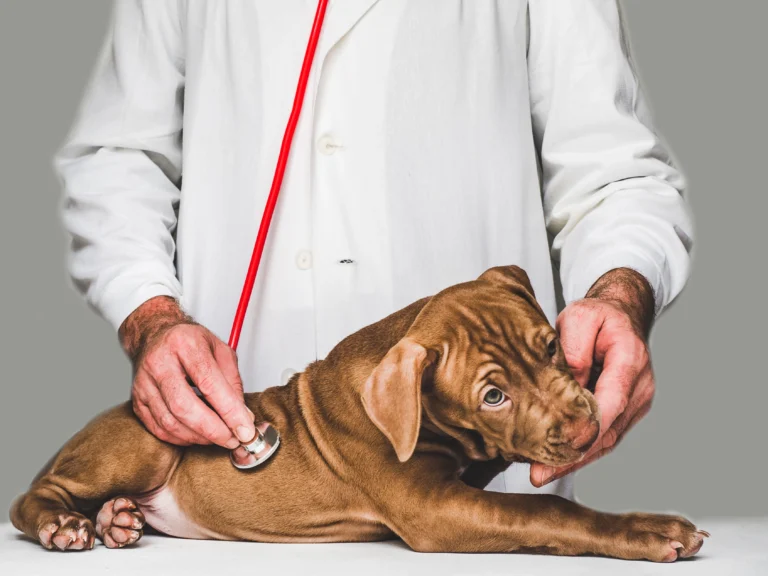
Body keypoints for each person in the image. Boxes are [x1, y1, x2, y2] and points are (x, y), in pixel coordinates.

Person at [55, 0, 693, 498]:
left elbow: (611, 171)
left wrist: (620, 295)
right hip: (239, 464)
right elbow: (122, 156)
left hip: (481, 472)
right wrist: (151, 317)